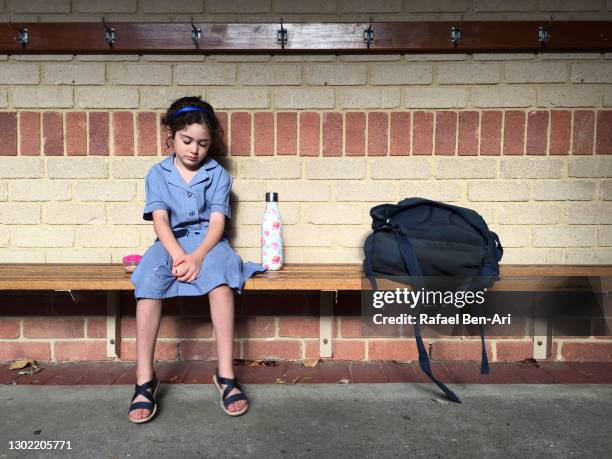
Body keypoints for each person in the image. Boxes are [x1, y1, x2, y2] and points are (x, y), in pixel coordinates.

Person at [127, 96, 266, 423]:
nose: (194, 150)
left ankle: (226, 374)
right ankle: (144, 379)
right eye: (187, 141)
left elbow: (218, 223)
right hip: (169, 241)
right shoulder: (157, 173)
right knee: (147, 283)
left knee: (221, 282)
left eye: (203, 144)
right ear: (171, 136)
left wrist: (199, 256)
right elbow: (160, 220)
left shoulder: (218, 174)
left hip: (209, 242)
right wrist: (178, 255)